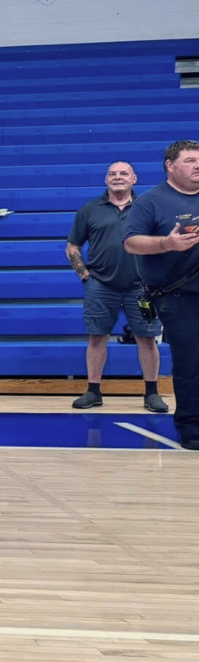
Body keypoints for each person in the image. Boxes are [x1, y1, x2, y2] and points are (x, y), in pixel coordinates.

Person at [69, 161, 166, 413]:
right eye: (112, 173)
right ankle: (93, 391)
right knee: (96, 337)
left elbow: (163, 243)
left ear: (134, 179)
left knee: (148, 339)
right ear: (106, 180)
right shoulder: (90, 209)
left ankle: (152, 393)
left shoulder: (148, 208)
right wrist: (85, 276)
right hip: (100, 286)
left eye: (124, 173)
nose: (118, 177)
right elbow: (73, 246)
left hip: (142, 289)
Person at [125, 139, 199, 451]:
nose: (198, 165)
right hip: (178, 295)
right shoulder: (151, 201)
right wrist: (166, 244)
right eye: (190, 160)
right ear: (170, 165)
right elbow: (131, 243)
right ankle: (192, 427)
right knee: (190, 362)